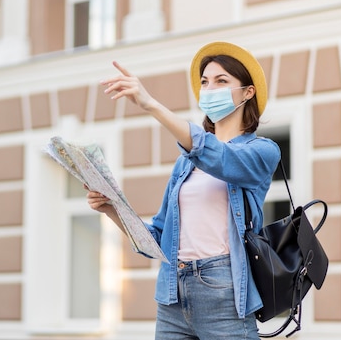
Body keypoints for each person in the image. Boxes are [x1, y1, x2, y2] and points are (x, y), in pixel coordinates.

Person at [87, 41, 281, 340]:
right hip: (171, 293)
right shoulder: (184, 165)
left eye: (221, 81)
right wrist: (112, 208)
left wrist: (150, 104)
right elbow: (158, 239)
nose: (209, 88)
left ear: (247, 92)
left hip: (222, 290)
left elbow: (219, 157)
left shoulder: (261, 151)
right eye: (205, 82)